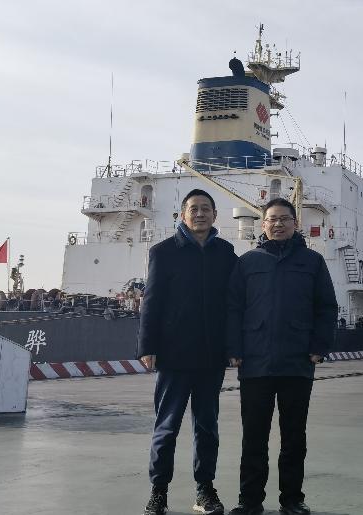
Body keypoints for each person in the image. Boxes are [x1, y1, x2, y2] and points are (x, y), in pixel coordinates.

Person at [227, 197, 338, 515]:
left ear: (295, 223)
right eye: (271, 219)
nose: (277, 224)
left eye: (284, 219)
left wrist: (319, 347)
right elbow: (233, 308)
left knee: (294, 437)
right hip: (255, 362)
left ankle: (292, 500)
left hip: (297, 362)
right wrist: (234, 349)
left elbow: (326, 308)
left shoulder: (312, 262)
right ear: (263, 225)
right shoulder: (247, 262)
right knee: (254, 437)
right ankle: (250, 502)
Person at [137, 189, 237, 515]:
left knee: (207, 428)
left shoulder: (226, 253)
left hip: (211, 357)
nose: (200, 214)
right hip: (174, 355)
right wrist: (147, 346)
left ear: (215, 215)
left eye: (206, 209)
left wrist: (233, 347)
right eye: (193, 209)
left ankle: (205, 491)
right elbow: (151, 302)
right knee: (166, 428)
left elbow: (233, 304)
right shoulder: (163, 252)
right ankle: (158, 493)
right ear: (183, 215)